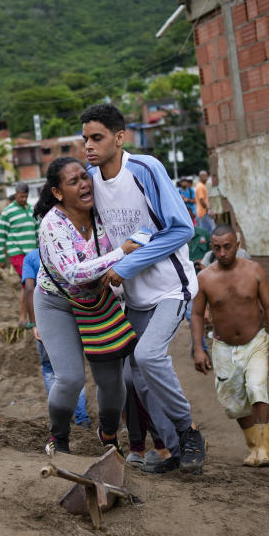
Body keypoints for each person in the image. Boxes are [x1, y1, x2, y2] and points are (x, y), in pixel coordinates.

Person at [81, 103, 206, 474]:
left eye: (97, 137)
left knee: (150, 357)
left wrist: (128, 264)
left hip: (171, 287)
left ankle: (189, 431)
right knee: (133, 375)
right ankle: (173, 450)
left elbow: (182, 227)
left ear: (120, 138)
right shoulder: (91, 180)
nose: (89, 145)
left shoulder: (146, 168)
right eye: (85, 138)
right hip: (134, 295)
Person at [33, 156, 143, 454]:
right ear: (58, 192)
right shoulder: (52, 225)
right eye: (74, 181)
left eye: (85, 177)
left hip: (98, 301)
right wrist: (120, 253)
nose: (84, 184)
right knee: (70, 379)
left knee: (111, 381)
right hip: (56, 303)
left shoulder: (102, 213)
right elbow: (73, 273)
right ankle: (60, 437)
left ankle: (108, 435)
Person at [190, 223, 269, 467]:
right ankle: (253, 447)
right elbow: (198, 314)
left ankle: (263, 450)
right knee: (233, 403)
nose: (222, 253)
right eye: (217, 248)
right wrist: (199, 349)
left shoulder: (254, 271)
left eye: (228, 247)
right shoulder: (205, 278)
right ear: (211, 248)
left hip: (255, 341)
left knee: (256, 387)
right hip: (223, 346)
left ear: (237, 246)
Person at [21, 248, 90, 427]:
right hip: (74, 315)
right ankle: (82, 419)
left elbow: (29, 289)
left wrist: (34, 323)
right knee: (75, 369)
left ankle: (61, 421)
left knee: (50, 370)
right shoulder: (72, 252)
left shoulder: (31, 258)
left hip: (47, 319)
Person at [0, 182, 39, 325]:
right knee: (28, 284)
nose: (23, 199)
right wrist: (0, 256)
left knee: (30, 284)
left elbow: (38, 231)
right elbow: (1, 235)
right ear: (15, 195)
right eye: (21, 197)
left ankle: (26, 318)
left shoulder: (32, 210)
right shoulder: (8, 212)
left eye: (26, 197)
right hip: (17, 253)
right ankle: (24, 318)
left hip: (32, 253)